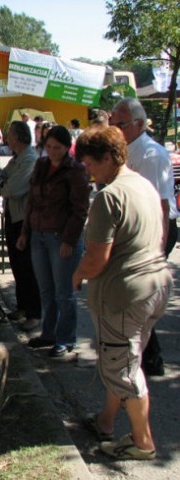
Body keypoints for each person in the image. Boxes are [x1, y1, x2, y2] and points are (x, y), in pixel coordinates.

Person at [73, 126, 172, 460]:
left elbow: (96, 258)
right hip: (156, 285)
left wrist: (77, 274)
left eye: (90, 165)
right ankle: (106, 421)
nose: (88, 172)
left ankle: (143, 443)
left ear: (108, 157)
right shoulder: (143, 184)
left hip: (123, 296)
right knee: (126, 358)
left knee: (123, 370)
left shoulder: (108, 196)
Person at [110, 97, 177, 376]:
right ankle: (145, 357)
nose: (115, 129)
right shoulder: (126, 150)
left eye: (120, 124)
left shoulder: (150, 155)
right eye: (113, 124)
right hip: (134, 231)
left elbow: (160, 205)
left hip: (154, 231)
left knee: (139, 298)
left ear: (139, 124)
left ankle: (150, 359)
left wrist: (157, 250)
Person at [17, 125, 89, 357]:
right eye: (48, 147)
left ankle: (66, 339)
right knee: (45, 290)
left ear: (67, 147)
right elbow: (32, 202)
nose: (52, 151)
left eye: (57, 148)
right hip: (38, 234)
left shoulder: (75, 170)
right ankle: (48, 334)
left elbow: (80, 210)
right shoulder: (41, 165)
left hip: (61, 238)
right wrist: (25, 232)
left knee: (64, 292)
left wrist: (69, 240)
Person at [0, 121, 41, 330]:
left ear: (18, 137)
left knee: (27, 267)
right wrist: (0, 183)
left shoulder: (29, 158)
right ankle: (22, 307)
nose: (6, 138)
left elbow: (11, 189)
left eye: (9, 135)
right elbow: (0, 178)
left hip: (24, 220)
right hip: (13, 216)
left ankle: (34, 313)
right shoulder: (17, 158)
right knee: (17, 265)